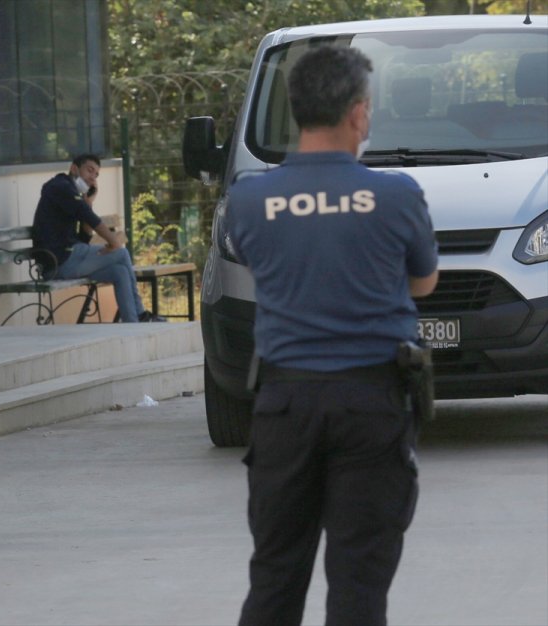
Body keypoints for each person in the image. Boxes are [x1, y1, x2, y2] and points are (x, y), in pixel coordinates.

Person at [224, 46, 439, 626]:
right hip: (372, 403)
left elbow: (254, 260)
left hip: (285, 405)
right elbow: (423, 283)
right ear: (359, 114)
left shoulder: (248, 200)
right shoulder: (396, 196)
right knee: (359, 581)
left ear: (296, 111)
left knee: (275, 574)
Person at [32, 154, 165, 323]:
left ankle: (133, 325)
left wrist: (89, 201)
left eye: (96, 175)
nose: (92, 177)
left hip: (69, 258)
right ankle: (140, 314)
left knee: (120, 272)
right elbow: (89, 217)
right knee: (122, 253)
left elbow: (84, 237)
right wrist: (113, 241)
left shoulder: (73, 196)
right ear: (74, 168)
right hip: (58, 263)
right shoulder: (60, 186)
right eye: (89, 170)